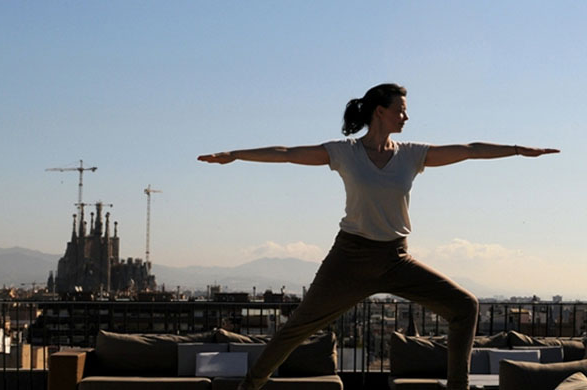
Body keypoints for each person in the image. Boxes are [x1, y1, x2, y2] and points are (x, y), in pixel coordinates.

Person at [197, 83, 559, 390]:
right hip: (349, 259)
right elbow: (288, 154)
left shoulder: (412, 155)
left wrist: (516, 150)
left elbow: (469, 150)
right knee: (296, 329)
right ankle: (250, 387)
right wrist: (234, 155)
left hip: (396, 259)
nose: (406, 117)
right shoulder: (346, 153)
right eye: (401, 110)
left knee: (465, 306)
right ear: (380, 111)